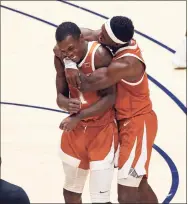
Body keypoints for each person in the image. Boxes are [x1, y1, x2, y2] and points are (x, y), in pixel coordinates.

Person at [54, 16, 158, 203]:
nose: (97, 36)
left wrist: (67, 66)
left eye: (102, 36)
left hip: (136, 122)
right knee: (139, 183)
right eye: (101, 30)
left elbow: (84, 84)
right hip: (121, 120)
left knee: (126, 194)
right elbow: (59, 47)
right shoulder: (110, 37)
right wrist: (69, 62)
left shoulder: (126, 64)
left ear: (112, 42)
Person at [54, 22, 118, 203]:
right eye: (63, 50)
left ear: (82, 39)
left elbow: (110, 98)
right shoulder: (60, 56)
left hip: (101, 131)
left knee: (100, 199)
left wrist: (79, 115)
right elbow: (60, 96)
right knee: (71, 193)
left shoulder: (100, 56)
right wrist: (65, 103)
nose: (68, 53)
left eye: (71, 48)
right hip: (76, 132)